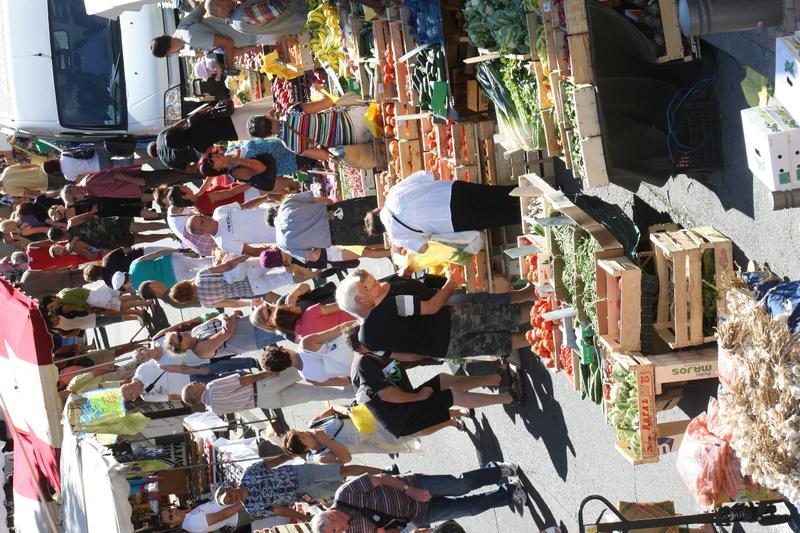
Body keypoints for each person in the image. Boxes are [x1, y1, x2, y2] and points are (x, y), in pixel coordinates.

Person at [345, 323, 519, 437]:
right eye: (367, 336)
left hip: (405, 403)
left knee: (444, 380)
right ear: (360, 346)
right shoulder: (363, 364)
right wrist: (418, 396)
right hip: (402, 417)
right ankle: (509, 397)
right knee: (452, 396)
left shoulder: (374, 352)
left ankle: (498, 379)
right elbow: (387, 394)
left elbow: (405, 358)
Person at [336, 267, 535, 359]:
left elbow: (405, 356)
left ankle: (543, 335)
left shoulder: (366, 340)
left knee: (501, 343)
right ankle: (544, 314)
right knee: (507, 315)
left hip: (444, 349)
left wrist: (428, 351)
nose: (370, 286)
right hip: (451, 320)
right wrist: (451, 283)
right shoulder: (388, 306)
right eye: (364, 287)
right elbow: (431, 307)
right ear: (359, 299)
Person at [310, 464, 525, 533]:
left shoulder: (344, 494)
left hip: (416, 487)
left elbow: (381, 478)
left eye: (334, 531)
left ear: (331, 515)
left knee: (462, 486)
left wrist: (408, 489)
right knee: (470, 508)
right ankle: (508, 492)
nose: (340, 532)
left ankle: (496, 471)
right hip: (419, 516)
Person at [364, 170, 521, 253]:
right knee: (498, 194)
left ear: (382, 231)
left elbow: (422, 248)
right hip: (452, 191)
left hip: (453, 220)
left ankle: (533, 212)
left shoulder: (396, 236)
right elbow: (430, 175)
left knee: (502, 217)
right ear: (377, 210)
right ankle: (531, 190)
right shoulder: (393, 192)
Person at [214, 462, 388, 520]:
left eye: (229, 495)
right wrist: (304, 517)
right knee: (344, 489)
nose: (233, 498)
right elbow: (280, 510)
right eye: (230, 501)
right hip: (301, 493)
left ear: (229, 487)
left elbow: (272, 463)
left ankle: (384, 471)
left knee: (343, 470)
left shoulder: (248, 473)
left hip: (299, 472)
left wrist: (291, 453)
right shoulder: (252, 508)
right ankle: (385, 484)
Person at [282, 403, 420, 464]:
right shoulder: (321, 456)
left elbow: (332, 408)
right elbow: (346, 459)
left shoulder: (313, 424)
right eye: (304, 437)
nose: (306, 433)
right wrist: (327, 441)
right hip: (382, 438)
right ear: (306, 449)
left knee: (412, 412)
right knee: (416, 429)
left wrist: (346, 410)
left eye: (301, 432)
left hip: (372, 417)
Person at [247, 95, 373, 163]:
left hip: (354, 141)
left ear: (266, 136)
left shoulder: (290, 145)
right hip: (354, 118)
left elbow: (325, 156)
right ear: (267, 116)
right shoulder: (293, 112)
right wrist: (317, 91)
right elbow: (327, 102)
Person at [271, 192, 387, 263]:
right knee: (379, 206)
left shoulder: (282, 244)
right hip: (335, 213)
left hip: (337, 237)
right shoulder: (286, 204)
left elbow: (314, 256)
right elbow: (326, 200)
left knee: (380, 233)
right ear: (275, 208)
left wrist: (316, 241)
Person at [180, 366, 352, 414]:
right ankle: (343, 367)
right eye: (193, 385)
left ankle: (352, 389)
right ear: (195, 393)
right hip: (262, 386)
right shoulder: (211, 387)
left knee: (315, 394)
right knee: (304, 368)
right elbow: (241, 381)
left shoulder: (214, 410)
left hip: (265, 402)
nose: (196, 382)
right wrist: (264, 373)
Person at [150, 3, 261, 65]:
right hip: (242, 15)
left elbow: (228, 43)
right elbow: (205, 5)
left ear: (169, 52)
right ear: (162, 36)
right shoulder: (182, 25)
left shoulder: (191, 39)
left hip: (251, 33)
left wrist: (229, 65)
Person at [168, 254, 292, 308]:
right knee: (278, 259)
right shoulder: (202, 275)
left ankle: (304, 272)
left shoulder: (207, 303)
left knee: (287, 277)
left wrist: (250, 303)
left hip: (253, 289)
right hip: (247, 271)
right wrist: (246, 255)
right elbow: (228, 266)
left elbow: (233, 303)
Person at [120, 357, 258, 403]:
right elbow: (171, 397)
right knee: (221, 381)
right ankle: (245, 376)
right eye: (133, 398)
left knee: (218, 367)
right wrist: (192, 397)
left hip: (187, 370)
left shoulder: (141, 370)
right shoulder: (146, 397)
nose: (135, 397)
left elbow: (161, 361)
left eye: (132, 395)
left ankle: (250, 362)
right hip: (190, 388)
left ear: (129, 386)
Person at [164, 311, 285, 360]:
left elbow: (219, 317)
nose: (181, 333)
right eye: (179, 337)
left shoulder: (195, 330)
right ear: (182, 348)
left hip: (251, 321)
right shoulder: (200, 350)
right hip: (254, 337)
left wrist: (227, 318)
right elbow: (227, 332)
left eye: (178, 332)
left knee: (285, 314)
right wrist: (228, 319)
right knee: (288, 326)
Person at [263, 322, 355, 385]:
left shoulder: (309, 378)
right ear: (284, 350)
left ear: (284, 368)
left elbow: (346, 381)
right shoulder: (305, 344)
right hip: (357, 342)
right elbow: (340, 329)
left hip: (358, 365)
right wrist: (360, 321)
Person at [198, 143, 300, 195]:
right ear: (216, 170)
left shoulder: (229, 150)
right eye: (210, 163)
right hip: (289, 159)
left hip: (286, 144)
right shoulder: (235, 171)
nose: (213, 158)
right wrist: (240, 161)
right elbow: (262, 168)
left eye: (210, 156)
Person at [186, 203, 277, 256]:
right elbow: (253, 252)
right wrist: (278, 249)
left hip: (275, 211)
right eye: (202, 222)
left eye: (201, 216)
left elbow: (245, 206)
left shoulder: (219, 211)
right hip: (279, 231)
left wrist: (266, 197)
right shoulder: (223, 243)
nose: (205, 218)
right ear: (201, 232)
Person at [48, 215, 167, 249]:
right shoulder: (72, 224)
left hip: (112, 238)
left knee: (143, 238)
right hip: (111, 227)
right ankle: (168, 227)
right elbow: (90, 216)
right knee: (142, 228)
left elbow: (89, 215)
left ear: (60, 239)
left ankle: (168, 234)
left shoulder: (72, 243)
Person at [254, 302, 354, 343]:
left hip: (352, 337)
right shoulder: (310, 312)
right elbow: (342, 304)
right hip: (356, 316)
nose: (291, 304)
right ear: (289, 316)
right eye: (288, 308)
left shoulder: (302, 338)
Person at [205, 0, 308, 37]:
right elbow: (275, 8)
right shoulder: (242, 15)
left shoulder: (236, 20)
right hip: (304, 10)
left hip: (302, 19)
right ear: (218, 5)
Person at [168, 177, 265, 216]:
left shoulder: (198, 204)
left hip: (246, 197)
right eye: (183, 188)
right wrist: (252, 182)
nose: (185, 186)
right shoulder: (202, 201)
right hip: (246, 194)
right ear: (184, 197)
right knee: (272, 190)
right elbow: (231, 193)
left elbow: (204, 186)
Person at [129, 249, 213, 290]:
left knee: (200, 277)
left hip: (173, 280)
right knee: (199, 262)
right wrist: (178, 250)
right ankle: (219, 261)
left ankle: (218, 272)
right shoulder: (134, 264)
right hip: (171, 261)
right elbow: (157, 253)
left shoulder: (138, 288)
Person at [160, 502, 243, 533]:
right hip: (239, 512)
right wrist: (244, 502)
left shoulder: (188, 518)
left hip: (237, 507)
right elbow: (222, 515)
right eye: (171, 517)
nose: (173, 512)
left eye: (170, 510)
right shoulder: (191, 523)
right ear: (172, 525)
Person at [26, 239, 103, 270]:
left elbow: (51, 270)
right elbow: (49, 242)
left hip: (68, 261)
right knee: (89, 243)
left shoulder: (32, 267)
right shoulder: (31, 247)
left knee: (97, 256)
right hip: (63, 247)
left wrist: (66, 268)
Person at [0, 162, 67, 197]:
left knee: (71, 182)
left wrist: (43, 195)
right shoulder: (7, 170)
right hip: (45, 169)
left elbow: (30, 193)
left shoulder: (10, 190)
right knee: (70, 171)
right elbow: (27, 165)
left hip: (46, 184)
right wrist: (39, 166)